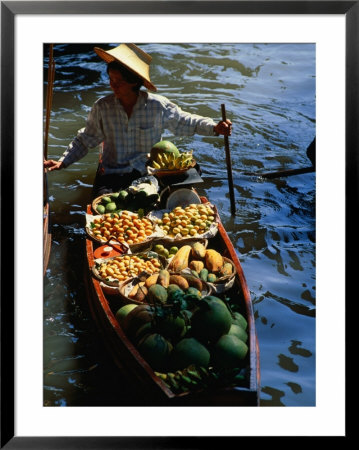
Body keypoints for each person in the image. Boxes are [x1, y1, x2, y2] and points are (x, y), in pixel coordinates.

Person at [44, 43, 232, 198]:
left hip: (148, 175)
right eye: (110, 79)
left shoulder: (157, 106)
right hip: (113, 175)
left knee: (179, 194)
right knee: (105, 209)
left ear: (134, 82)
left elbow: (187, 121)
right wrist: (63, 162)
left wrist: (215, 127)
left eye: (119, 81)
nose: (112, 85)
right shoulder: (102, 107)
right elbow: (85, 140)